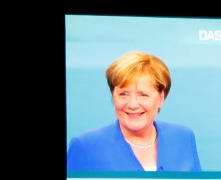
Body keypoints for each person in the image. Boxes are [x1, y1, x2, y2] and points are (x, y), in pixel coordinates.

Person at [66, 51, 202, 172]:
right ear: (113, 96)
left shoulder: (183, 137)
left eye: (143, 95)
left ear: (161, 98)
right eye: (123, 94)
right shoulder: (85, 146)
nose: (132, 105)